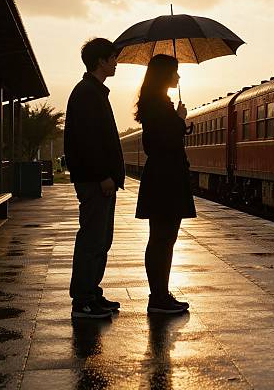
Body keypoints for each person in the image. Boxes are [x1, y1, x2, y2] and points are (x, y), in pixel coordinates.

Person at [64, 38, 125, 319]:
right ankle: (83, 300)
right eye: (113, 58)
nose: (116, 63)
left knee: (101, 239)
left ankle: (92, 291)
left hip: (98, 180)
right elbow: (90, 141)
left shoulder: (93, 91)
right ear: (100, 61)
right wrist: (103, 175)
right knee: (92, 239)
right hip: (95, 181)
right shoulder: (88, 93)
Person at [134, 54, 196, 314]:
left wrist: (178, 122)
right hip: (166, 178)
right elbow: (159, 143)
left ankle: (160, 294)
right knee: (163, 239)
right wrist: (179, 121)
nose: (178, 77)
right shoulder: (158, 105)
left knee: (161, 239)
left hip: (162, 176)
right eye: (175, 72)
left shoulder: (155, 103)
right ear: (164, 75)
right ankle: (159, 297)